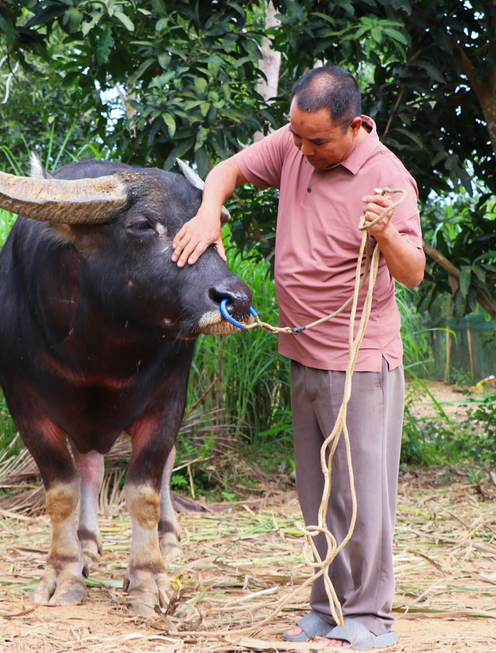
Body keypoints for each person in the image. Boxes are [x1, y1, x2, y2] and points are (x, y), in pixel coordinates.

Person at [171, 66, 425, 650]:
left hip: (359, 360)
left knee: (361, 495)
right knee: (317, 492)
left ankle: (371, 618)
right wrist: (209, 213)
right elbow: (228, 170)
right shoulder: (295, 144)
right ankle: (327, 606)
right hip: (304, 351)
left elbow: (412, 272)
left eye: (318, 140)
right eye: (297, 136)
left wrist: (385, 234)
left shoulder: (387, 177)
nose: (304, 151)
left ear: (355, 126)